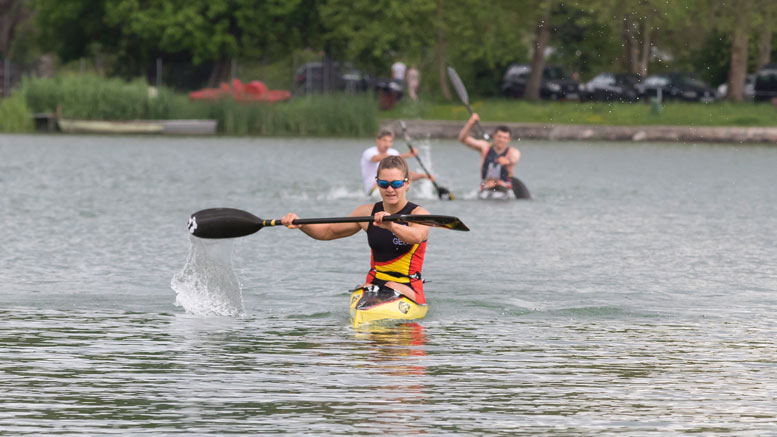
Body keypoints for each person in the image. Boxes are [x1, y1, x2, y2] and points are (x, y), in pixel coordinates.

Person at [282, 156, 430, 304]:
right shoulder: (366, 213)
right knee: (363, 288)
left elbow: (417, 236)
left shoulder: (419, 215)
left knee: (390, 286)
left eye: (396, 184)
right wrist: (301, 224)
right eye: (383, 184)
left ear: (407, 183)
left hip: (408, 286)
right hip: (373, 285)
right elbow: (329, 231)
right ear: (377, 182)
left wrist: (391, 225)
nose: (389, 189)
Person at [458, 112, 521, 198]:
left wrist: (507, 161)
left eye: (505, 138)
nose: (501, 140)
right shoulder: (485, 147)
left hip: (504, 190)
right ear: (494, 136)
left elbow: (515, 158)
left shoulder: (512, 151)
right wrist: (470, 123)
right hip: (486, 189)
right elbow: (462, 139)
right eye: (499, 136)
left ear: (509, 140)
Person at [360, 129, 433, 196]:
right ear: (377, 140)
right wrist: (407, 155)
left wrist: (423, 176)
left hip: (391, 188)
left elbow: (404, 174)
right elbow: (377, 158)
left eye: (390, 141)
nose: (387, 144)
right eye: (384, 140)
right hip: (374, 190)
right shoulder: (369, 152)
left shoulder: (394, 152)